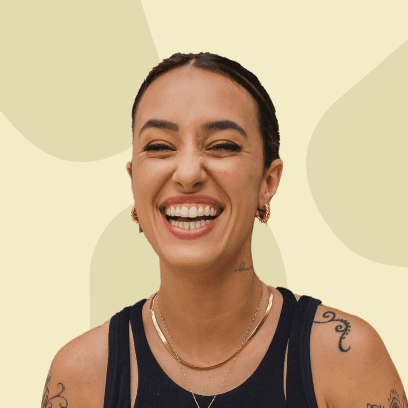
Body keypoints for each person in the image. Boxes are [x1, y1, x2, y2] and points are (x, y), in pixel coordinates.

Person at [41, 52, 406, 408]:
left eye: (222, 146)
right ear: (134, 178)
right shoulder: (81, 375)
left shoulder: (346, 358)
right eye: (159, 146)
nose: (188, 174)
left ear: (268, 180)